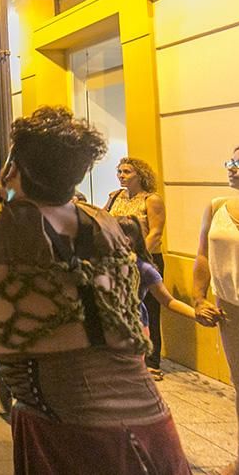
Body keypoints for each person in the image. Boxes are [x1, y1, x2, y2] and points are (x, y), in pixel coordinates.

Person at [0, 89, 190, 474]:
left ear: (13, 168)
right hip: (153, 426)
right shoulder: (108, 222)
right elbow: (24, 195)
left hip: (69, 431)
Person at [192, 143, 239, 475]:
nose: (232, 168)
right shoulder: (218, 206)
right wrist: (198, 298)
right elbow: (203, 255)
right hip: (232, 312)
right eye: (230, 162)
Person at [106, 156, 167, 378]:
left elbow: (156, 232)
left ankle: (152, 361)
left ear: (140, 175)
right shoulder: (115, 197)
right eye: (119, 171)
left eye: (127, 172)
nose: (121, 175)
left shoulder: (151, 199)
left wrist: (138, 257)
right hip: (120, 258)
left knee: (149, 309)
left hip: (146, 259)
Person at [116, 216, 196, 341]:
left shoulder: (143, 269)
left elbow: (169, 301)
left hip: (134, 328)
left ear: (126, 241)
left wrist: (197, 314)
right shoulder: (105, 264)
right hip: (111, 328)